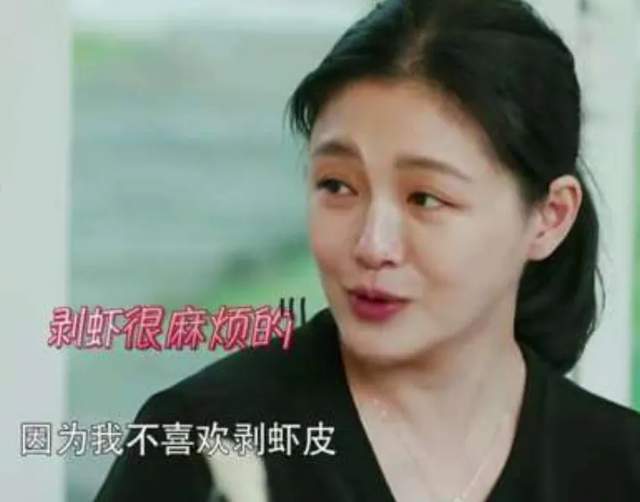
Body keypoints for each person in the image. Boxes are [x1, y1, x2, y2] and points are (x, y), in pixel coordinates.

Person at [95, 0, 640, 500]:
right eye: (337, 186)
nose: (372, 245)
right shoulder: (200, 442)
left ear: (550, 217)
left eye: (425, 198)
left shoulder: (619, 465)